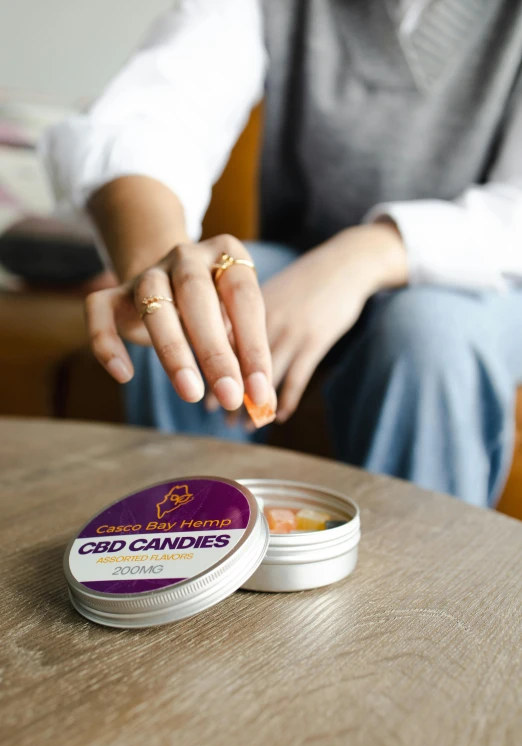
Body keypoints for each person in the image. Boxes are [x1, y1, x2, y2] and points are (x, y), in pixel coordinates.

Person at [43, 0, 522, 507]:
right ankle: (188, 548)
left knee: (430, 334)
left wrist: (363, 256)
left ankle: (423, 581)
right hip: (300, 258)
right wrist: (160, 269)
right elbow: (156, 113)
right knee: (191, 312)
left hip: (484, 280)